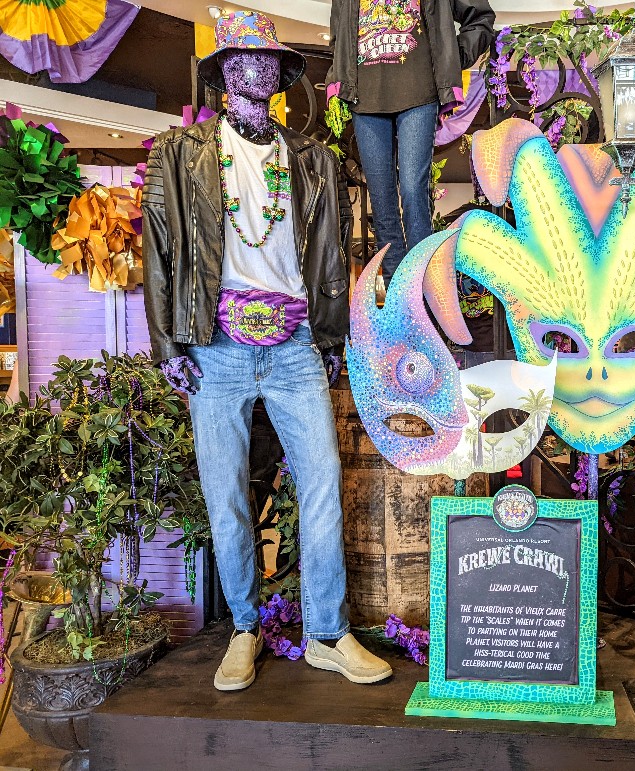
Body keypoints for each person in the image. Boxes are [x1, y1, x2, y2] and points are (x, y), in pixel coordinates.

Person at [142, 10, 391, 691]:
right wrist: (168, 341)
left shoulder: (311, 158)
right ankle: (245, 628)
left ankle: (327, 634)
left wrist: (333, 331)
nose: (254, 68)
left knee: (322, 485)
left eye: (267, 60)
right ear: (222, 71)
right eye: (240, 58)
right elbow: (160, 248)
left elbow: (333, 255)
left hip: (295, 344)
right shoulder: (180, 154)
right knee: (225, 496)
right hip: (215, 347)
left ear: (281, 76)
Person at [326, 0, 495, 285]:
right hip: (364, 96)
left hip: (420, 91)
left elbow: (480, 16)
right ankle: (397, 296)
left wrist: (454, 56)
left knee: (414, 192)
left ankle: (422, 290)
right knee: (381, 203)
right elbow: (338, 35)